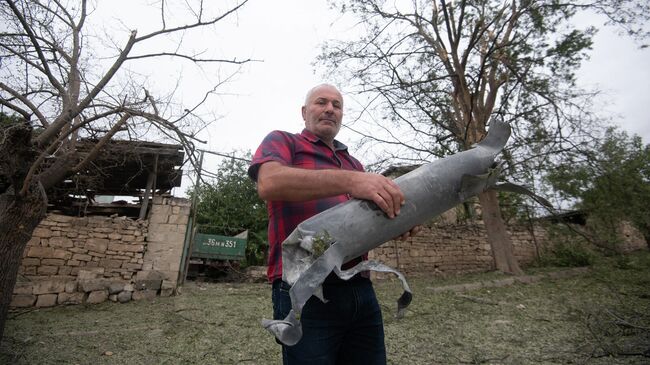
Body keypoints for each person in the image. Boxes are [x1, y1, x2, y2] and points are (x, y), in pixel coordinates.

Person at [248, 83, 418, 365]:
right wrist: (352, 181)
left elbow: (365, 226)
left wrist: (397, 222)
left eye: (336, 105)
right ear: (304, 112)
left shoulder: (354, 163)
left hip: (359, 288)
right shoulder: (283, 141)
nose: (329, 109)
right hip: (301, 287)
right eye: (321, 102)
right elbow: (269, 182)